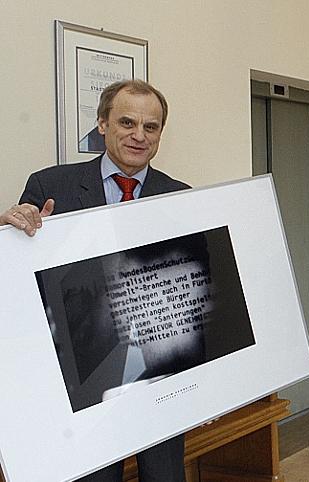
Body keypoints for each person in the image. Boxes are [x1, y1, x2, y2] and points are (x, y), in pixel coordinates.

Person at [1, 79, 188, 482]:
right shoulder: (51, 187)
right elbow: (20, 278)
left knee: (165, 476)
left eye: (151, 127)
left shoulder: (180, 198)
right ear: (102, 124)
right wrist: (7, 228)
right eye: (126, 122)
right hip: (84, 377)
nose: (139, 135)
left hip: (159, 374)